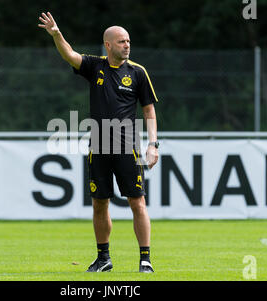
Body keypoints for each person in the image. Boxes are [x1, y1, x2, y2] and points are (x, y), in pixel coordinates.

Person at [38, 12, 159, 273]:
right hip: (99, 147)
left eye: (128, 41)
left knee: (137, 202)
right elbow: (69, 55)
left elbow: (149, 111)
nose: (126, 45)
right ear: (108, 45)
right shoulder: (96, 66)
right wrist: (57, 34)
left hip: (127, 147)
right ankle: (103, 258)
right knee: (99, 202)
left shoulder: (138, 73)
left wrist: (153, 144)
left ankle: (145, 259)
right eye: (121, 41)